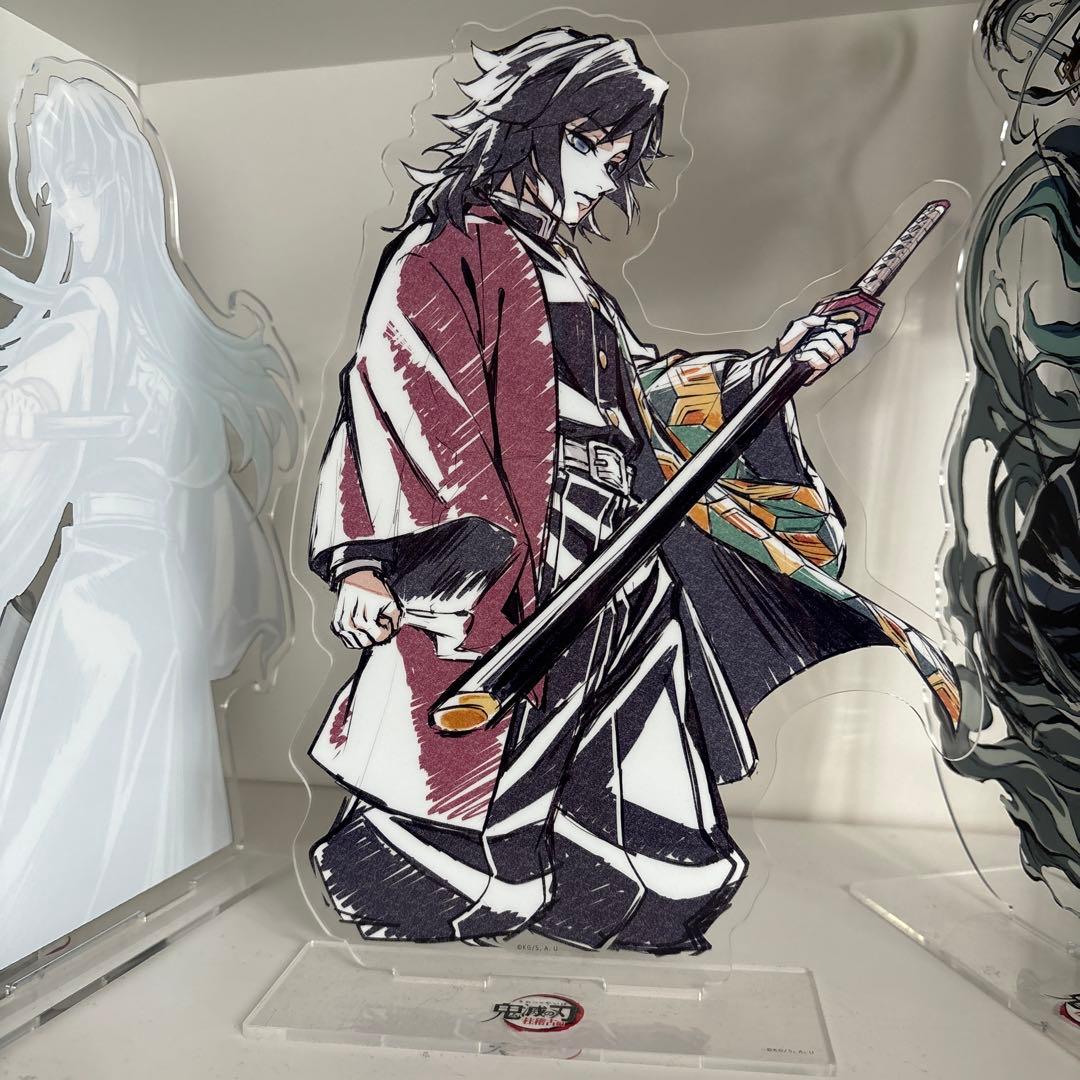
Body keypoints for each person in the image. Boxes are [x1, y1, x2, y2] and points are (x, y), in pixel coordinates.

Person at [307, 28, 961, 953]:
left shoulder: (567, 277)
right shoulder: (445, 252)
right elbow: (394, 407)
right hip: (510, 565)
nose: (603, 181)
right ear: (532, 128)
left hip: (619, 552)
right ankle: (438, 882)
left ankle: (629, 894)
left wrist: (778, 366)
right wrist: (367, 566)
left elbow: (646, 400)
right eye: (591, 148)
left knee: (650, 801)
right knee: (477, 792)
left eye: (618, 163)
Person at [0, 69, 297, 969]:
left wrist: (29, 410)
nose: (67, 214)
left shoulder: (105, 309)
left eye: (78, 187)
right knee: (144, 795)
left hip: (111, 590)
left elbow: (41, 392)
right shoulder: (151, 321)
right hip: (153, 591)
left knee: (62, 801)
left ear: (120, 185)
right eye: (56, 193)